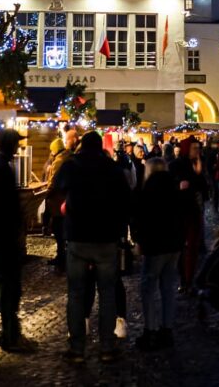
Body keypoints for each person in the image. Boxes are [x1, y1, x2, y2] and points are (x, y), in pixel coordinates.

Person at [54, 130, 132, 364]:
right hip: (106, 239)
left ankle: (77, 349)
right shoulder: (112, 168)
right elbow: (127, 200)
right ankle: (107, 348)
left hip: (78, 237)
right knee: (107, 293)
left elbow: (57, 186)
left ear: (81, 145)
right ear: (100, 147)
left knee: (76, 294)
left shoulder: (72, 165)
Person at [131, 157, 186, 350]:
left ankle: (150, 330)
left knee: (148, 287)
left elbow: (140, 218)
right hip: (174, 245)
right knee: (168, 287)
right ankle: (167, 329)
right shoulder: (174, 188)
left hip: (155, 246)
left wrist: (138, 240)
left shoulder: (147, 190)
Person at [0, 129, 29, 351]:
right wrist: (16, 231)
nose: (18, 148)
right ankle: (10, 337)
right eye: (16, 144)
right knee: (10, 288)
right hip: (5, 238)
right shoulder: (2, 169)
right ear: (10, 145)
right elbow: (7, 207)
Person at [170, 137, 208, 291]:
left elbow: (203, 189)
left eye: (198, 148)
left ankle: (189, 280)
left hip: (194, 210)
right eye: (194, 148)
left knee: (193, 246)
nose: (197, 151)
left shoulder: (198, 164)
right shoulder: (176, 165)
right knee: (180, 247)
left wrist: (199, 174)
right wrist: (180, 184)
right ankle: (183, 278)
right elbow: (173, 184)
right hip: (180, 211)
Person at [45, 127, 78, 272]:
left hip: (58, 201)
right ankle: (63, 257)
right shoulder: (70, 157)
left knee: (58, 231)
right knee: (63, 231)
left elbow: (53, 181)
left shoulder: (59, 161)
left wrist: (47, 192)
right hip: (67, 201)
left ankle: (61, 259)